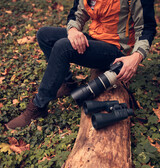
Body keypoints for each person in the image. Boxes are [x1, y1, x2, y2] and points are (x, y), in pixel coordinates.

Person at [6, 0, 157, 129]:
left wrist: (135, 58)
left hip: (116, 50)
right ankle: (67, 84)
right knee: (44, 34)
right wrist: (72, 31)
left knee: (62, 47)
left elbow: (147, 27)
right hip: (95, 38)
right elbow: (76, 13)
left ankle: (38, 107)